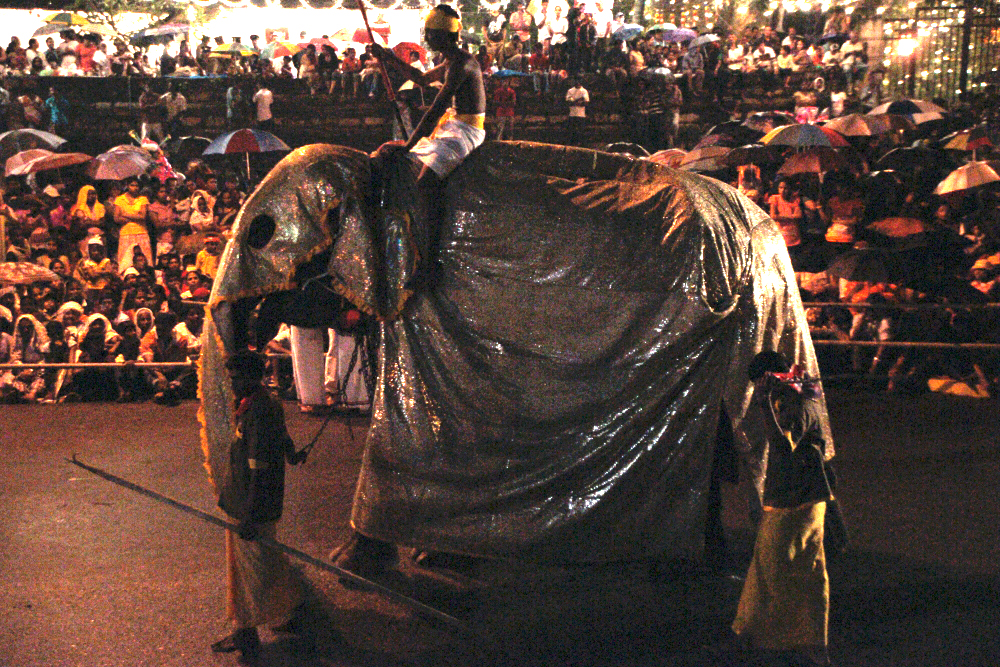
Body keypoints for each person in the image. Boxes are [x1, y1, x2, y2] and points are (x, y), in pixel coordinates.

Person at [732, 350, 835, 667]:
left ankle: (777, 638)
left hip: (795, 499)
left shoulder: (792, 400)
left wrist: (765, 404)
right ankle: (806, 641)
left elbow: (783, 447)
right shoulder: (802, 389)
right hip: (808, 494)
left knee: (775, 567)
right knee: (804, 568)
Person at [211, 350, 308, 665]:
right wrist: (291, 454)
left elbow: (259, 468)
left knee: (248, 573)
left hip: (250, 505)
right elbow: (282, 436)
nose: (233, 383)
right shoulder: (263, 403)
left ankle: (246, 631)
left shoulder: (258, 411)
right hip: (253, 502)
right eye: (231, 378)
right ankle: (289, 610)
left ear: (254, 376)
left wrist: (250, 516)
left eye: (237, 377)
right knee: (266, 560)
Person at [369, 5, 487, 220]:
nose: (427, 38)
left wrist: (408, 145)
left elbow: (435, 111)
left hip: (467, 131)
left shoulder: (462, 64)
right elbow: (421, 79)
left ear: (444, 36)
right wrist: (388, 58)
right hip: (453, 125)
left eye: (430, 34)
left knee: (425, 184)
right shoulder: (451, 60)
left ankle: (432, 238)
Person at [113, 177, 152, 273]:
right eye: (132, 185)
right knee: (126, 261)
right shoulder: (119, 199)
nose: (135, 188)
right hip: (126, 233)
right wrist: (135, 216)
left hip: (141, 232)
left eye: (137, 185)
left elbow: (143, 216)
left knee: (144, 259)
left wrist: (125, 214)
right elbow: (116, 218)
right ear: (127, 186)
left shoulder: (143, 199)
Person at [565, 77, 589, 146]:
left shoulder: (584, 91)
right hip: (572, 114)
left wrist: (575, 102)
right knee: (571, 131)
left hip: (581, 115)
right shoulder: (570, 91)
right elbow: (569, 102)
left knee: (581, 131)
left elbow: (585, 102)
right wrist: (578, 100)